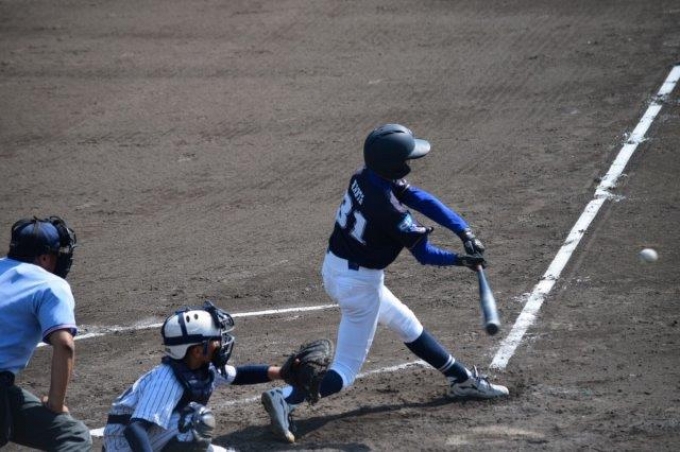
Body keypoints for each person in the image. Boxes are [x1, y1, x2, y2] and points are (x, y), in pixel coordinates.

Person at [261, 123, 509, 443]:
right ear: (393, 164)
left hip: (337, 267)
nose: (410, 162)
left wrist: (464, 232)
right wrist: (461, 261)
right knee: (345, 371)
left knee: (405, 322)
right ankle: (286, 399)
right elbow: (425, 255)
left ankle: (460, 379)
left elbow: (418, 197)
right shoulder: (389, 211)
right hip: (358, 285)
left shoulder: (365, 176)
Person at [103, 301, 286, 452]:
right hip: (124, 446)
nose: (221, 343)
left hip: (151, 438)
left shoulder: (202, 368)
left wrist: (283, 372)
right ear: (198, 351)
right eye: (215, 339)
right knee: (194, 420)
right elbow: (135, 429)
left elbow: (240, 375)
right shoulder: (167, 380)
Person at [0, 216, 92, 451]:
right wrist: (56, 404)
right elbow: (64, 344)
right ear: (43, 258)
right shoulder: (49, 285)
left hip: (4, 393)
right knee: (73, 437)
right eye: (56, 254)